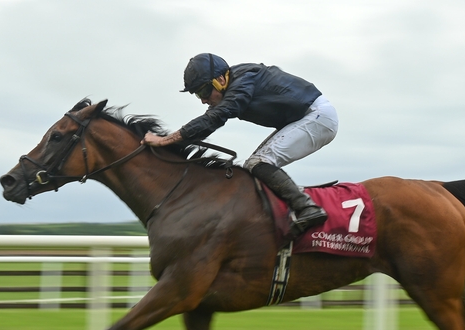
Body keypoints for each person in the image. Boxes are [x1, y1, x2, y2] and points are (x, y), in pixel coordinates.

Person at [141, 53, 339, 234]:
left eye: (204, 91)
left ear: (220, 80)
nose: (203, 100)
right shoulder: (233, 84)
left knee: (258, 163)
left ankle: (307, 208)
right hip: (304, 117)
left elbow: (215, 118)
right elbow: (208, 122)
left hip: (317, 117)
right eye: (197, 94)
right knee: (252, 166)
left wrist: (164, 140)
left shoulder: (244, 80)